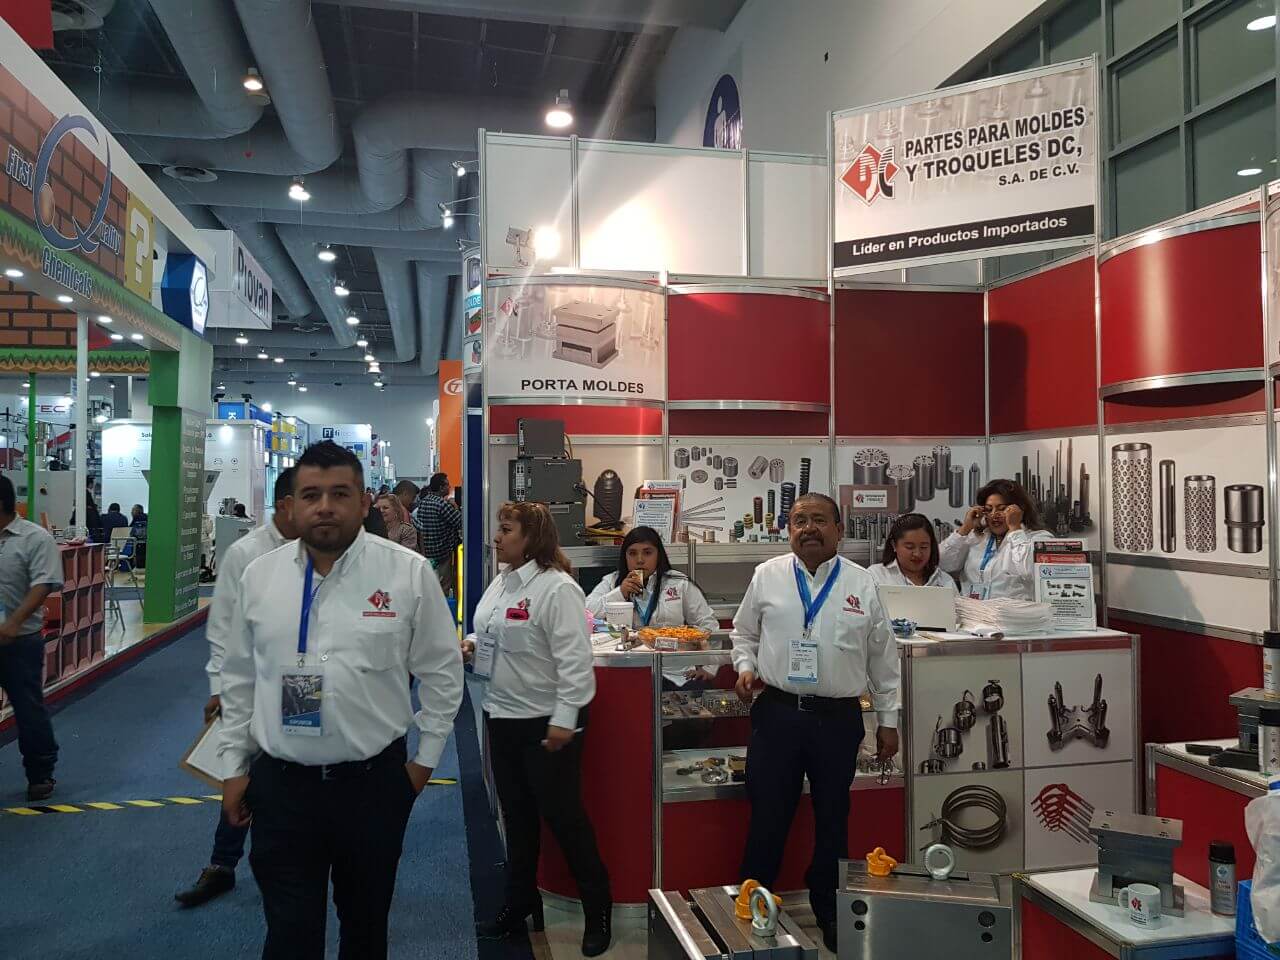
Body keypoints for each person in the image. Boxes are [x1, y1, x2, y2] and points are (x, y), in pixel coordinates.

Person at [218, 442, 463, 960]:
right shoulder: (259, 577)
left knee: (365, 929)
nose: (324, 506)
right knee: (289, 937)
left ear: (364, 501)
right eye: (311, 495)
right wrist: (234, 766)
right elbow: (239, 676)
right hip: (282, 789)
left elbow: (442, 672)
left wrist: (423, 762)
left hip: (372, 787)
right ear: (292, 505)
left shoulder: (407, 573)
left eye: (340, 494)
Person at [731, 492, 900, 953]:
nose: (809, 528)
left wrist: (888, 721)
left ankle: (828, 908)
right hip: (778, 713)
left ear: (839, 530)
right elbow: (744, 632)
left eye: (820, 520)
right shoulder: (767, 576)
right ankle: (753, 900)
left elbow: (883, 658)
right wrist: (745, 666)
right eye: (799, 520)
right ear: (789, 530)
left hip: (837, 719)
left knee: (833, 819)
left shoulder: (862, 583)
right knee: (767, 815)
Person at [466, 501, 612, 957]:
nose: (497, 537)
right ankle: (521, 901)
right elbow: (490, 631)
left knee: (565, 820)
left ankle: (598, 909)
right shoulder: (502, 580)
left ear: (532, 538)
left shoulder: (557, 589)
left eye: (506, 529)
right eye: (499, 529)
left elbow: (576, 664)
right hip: (502, 715)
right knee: (518, 818)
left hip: (547, 725)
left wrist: (564, 720)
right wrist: (471, 644)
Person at [175, 468, 299, 909]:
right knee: (241, 770)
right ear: (286, 504)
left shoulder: (324, 549)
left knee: (299, 773)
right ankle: (222, 864)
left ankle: (297, 865)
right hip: (255, 683)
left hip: (303, 683)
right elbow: (223, 626)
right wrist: (219, 687)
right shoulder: (247, 553)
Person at [584, 526, 719, 690]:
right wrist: (620, 593)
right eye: (632, 553)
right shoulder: (612, 582)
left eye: (647, 553)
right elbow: (587, 612)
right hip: (627, 672)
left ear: (658, 555)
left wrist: (709, 667)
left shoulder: (678, 584)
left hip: (676, 673)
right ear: (625, 556)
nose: (640, 560)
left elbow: (708, 624)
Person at [0, 474, 64, 801]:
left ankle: (40, 773)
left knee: (27, 710)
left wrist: (14, 622)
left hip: (19, 642)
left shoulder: (34, 538)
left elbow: (44, 584)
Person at [940, 478, 1053, 601]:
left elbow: (1027, 571)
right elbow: (944, 564)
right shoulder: (975, 537)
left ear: (1020, 510)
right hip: (972, 611)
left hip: (1013, 613)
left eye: (1002, 508)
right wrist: (965, 528)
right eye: (989, 509)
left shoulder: (1039, 539)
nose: (994, 514)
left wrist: (1015, 528)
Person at [868, 513, 959, 592]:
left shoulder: (945, 581)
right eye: (910, 547)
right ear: (894, 545)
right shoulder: (876, 576)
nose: (917, 554)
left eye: (924, 547)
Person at [413, 472, 462, 596]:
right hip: (442, 553)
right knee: (443, 588)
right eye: (447, 485)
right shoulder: (442, 504)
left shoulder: (423, 502)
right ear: (441, 487)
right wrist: (455, 506)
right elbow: (460, 522)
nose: (449, 487)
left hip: (426, 552)